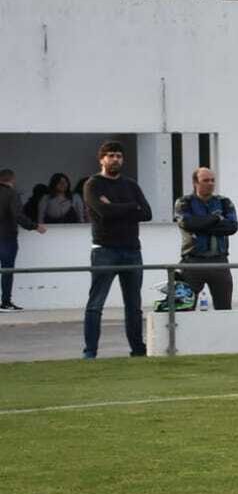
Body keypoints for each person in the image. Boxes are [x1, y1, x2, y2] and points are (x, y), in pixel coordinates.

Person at [82, 140, 152, 359]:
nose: (115, 159)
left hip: (132, 250)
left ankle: (137, 349)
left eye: (119, 156)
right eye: (111, 155)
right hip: (105, 250)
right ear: (102, 159)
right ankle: (90, 351)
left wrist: (114, 206)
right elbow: (103, 212)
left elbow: (147, 213)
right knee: (96, 304)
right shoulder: (93, 184)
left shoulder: (131, 185)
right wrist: (131, 207)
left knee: (134, 305)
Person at [173, 167, 238, 310]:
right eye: (205, 180)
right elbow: (188, 224)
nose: (210, 183)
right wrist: (216, 218)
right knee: (184, 308)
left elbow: (232, 227)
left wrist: (201, 225)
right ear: (195, 183)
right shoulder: (184, 202)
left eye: (212, 180)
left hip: (219, 261)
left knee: (224, 309)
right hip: (193, 262)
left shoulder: (224, 202)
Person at [1, 168, 45, 312]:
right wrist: (34, 226)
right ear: (12, 179)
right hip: (6, 237)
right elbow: (17, 215)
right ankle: (5, 302)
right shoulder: (11, 194)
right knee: (7, 270)